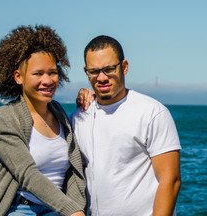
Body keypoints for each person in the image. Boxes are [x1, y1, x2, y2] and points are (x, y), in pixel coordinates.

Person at [0, 25, 86, 216]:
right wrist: (73, 211)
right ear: (19, 77)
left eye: (52, 72)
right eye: (38, 73)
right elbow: (28, 175)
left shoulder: (59, 113)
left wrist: (89, 97)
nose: (47, 80)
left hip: (57, 209)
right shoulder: (2, 119)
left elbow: (74, 170)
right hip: (19, 208)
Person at [72, 35, 182, 215]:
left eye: (109, 69)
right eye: (94, 71)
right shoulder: (78, 117)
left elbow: (171, 180)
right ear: (86, 71)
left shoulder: (152, 113)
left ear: (124, 67)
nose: (101, 77)